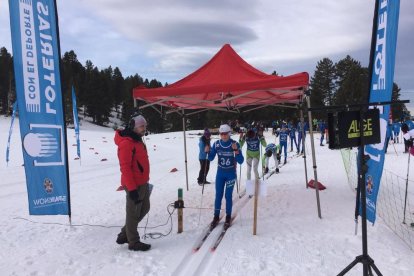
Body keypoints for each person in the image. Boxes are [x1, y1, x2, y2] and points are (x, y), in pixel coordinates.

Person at [114, 115, 151, 251]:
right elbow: (125, 168)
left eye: (145, 126)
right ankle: (133, 242)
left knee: (145, 207)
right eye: (142, 126)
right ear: (134, 127)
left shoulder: (137, 140)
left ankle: (125, 233)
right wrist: (132, 189)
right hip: (133, 185)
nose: (144, 129)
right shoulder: (126, 143)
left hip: (143, 182)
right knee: (133, 212)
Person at [208, 124, 244, 229]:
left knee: (228, 196)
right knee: (218, 195)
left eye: (225, 134)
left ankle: (228, 216)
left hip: (231, 174)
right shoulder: (217, 144)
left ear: (229, 133)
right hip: (220, 174)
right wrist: (207, 151)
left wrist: (236, 151)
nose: (223, 136)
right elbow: (210, 158)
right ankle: (216, 216)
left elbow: (241, 161)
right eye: (221, 134)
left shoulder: (235, 143)